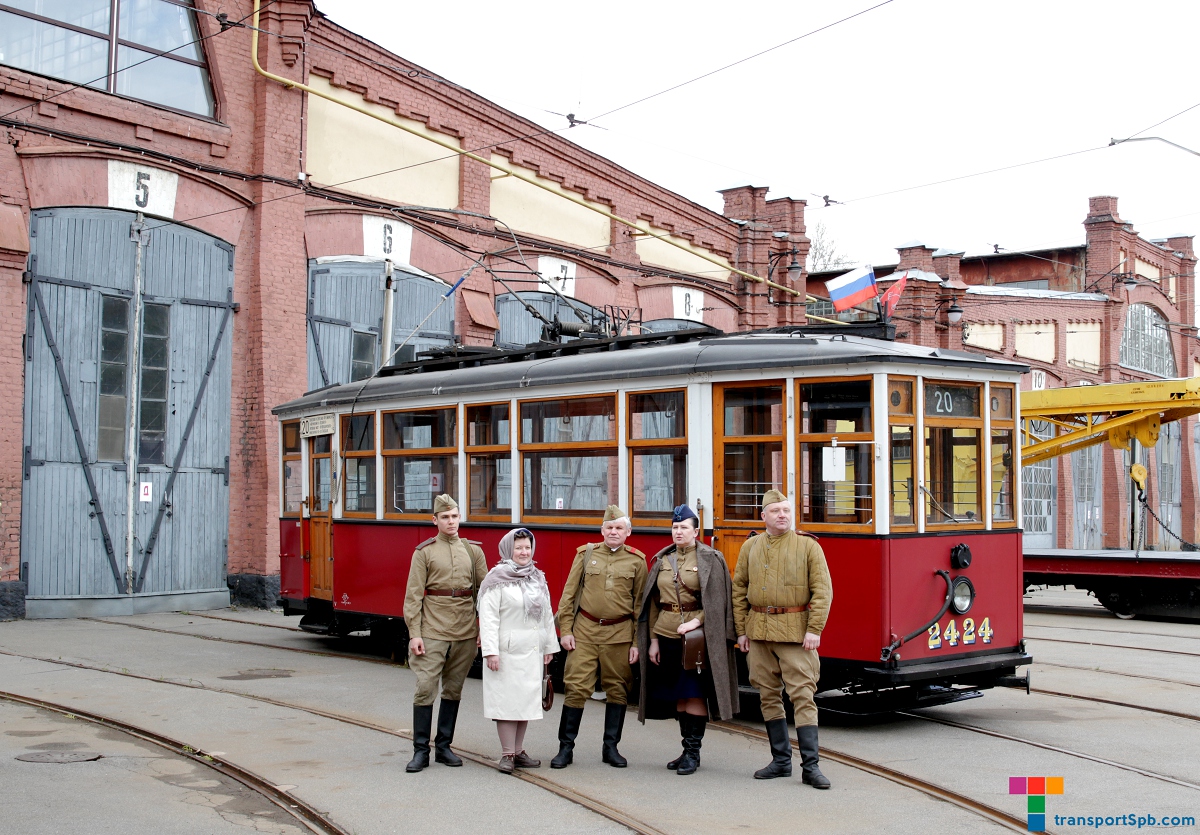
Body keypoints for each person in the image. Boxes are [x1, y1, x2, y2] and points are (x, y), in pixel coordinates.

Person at [732, 489, 833, 789]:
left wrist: (814, 629)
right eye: (776, 511)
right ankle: (780, 761)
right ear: (763, 515)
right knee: (767, 695)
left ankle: (811, 767)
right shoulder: (750, 547)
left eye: (787, 510)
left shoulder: (808, 546)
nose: (782, 515)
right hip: (759, 633)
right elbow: (739, 591)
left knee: (803, 695)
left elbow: (823, 591)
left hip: (795, 634)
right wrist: (741, 631)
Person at [636, 504, 739, 776]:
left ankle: (693, 753)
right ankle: (685, 751)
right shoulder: (662, 560)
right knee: (679, 695)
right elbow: (654, 603)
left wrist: (696, 621)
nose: (678, 532)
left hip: (696, 639)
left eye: (684, 527)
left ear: (695, 531)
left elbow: (718, 602)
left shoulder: (711, 559)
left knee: (694, 693)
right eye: (675, 527)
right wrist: (654, 640)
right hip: (667, 635)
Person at [551, 505, 647, 768]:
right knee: (575, 688)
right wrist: (565, 631)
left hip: (619, 635)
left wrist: (636, 642)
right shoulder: (585, 554)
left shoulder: (637, 561)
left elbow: (640, 607)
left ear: (628, 532)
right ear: (602, 530)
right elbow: (568, 596)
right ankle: (565, 749)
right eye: (609, 527)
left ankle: (611, 748)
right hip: (584, 632)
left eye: (619, 528)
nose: (613, 532)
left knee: (618, 690)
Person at [402, 493, 488, 773]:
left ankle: (444, 747)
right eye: (445, 517)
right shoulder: (424, 552)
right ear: (435, 520)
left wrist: (483, 628)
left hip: (465, 630)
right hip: (433, 630)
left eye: (454, 516)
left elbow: (485, 593)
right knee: (426, 687)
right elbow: (413, 596)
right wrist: (415, 633)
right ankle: (420, 751)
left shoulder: (473, 551)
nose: (451, 522)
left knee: (453, 689)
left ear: (459, 517)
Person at [478, 528, 560, 774]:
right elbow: (488, 618)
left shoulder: (537, 577)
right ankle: (507, 754)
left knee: (525, 702)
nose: (524, 552)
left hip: (532, 651)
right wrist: (490, 651)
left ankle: (519, 750)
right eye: (519, 548)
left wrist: (549, 646)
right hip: (506, 653)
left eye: (527, 547)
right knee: (507, 703)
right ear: (508, 550)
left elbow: (547, 614)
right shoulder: (496, 579)